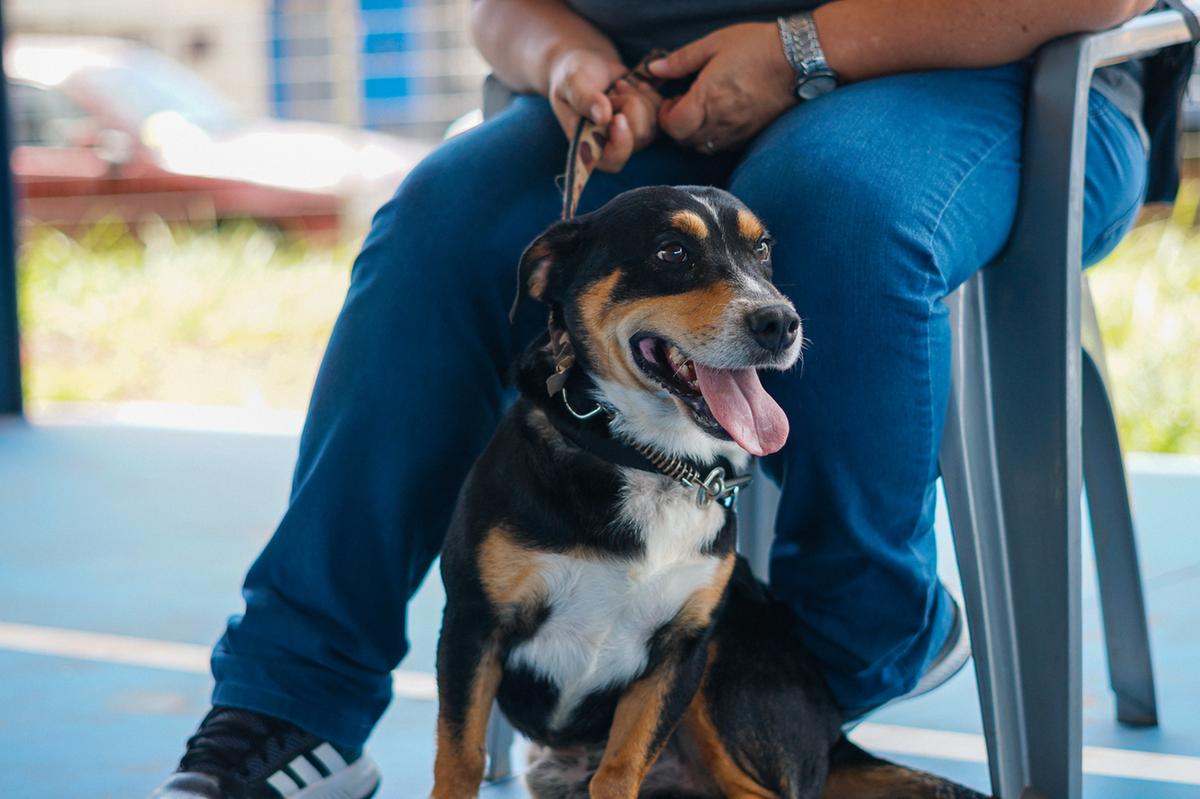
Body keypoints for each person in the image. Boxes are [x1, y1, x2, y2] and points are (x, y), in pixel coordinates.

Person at [151, 0, 1166, 796]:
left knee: (833, 208)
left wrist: (799, 50)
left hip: (992, 76)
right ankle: (296, 702)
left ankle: (846, 641)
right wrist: (568, 65)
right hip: (670, 109)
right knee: (439, 225)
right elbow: (504, 5)